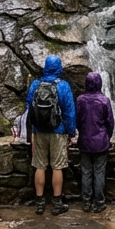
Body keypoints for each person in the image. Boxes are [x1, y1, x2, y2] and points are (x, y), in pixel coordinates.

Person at [26, 55, 77, 215]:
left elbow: (29, 108)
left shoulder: (35, 84)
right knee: (57, 167)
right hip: (58, 132)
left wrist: (32, 131)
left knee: (39, 166)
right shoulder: (63, 86)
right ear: (59, 67)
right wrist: (71, 132)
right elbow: (69, 112)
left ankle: (40, 203)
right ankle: (57, 203)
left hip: (39, 131)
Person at [74, 71, 115, 213]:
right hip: (101, 142)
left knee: (86, 172)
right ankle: (99, 202)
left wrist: (83, 132)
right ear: (99, 83)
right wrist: (107, 137)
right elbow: (110, 122)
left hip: (85, 141)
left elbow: (77, 121)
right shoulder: (104, 100)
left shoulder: (80, 100)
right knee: (99, 172)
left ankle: (86, 202)